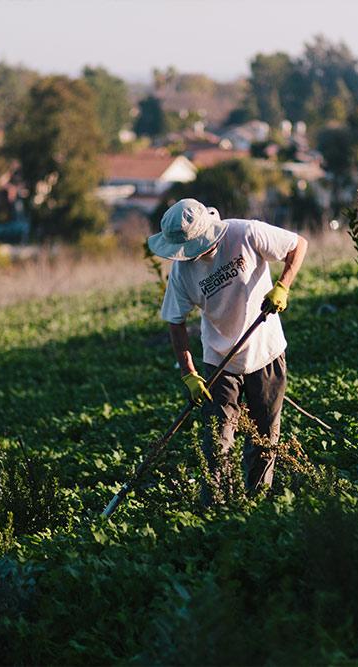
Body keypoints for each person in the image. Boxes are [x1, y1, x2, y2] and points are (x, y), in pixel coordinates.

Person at [147, 198, 308, 501]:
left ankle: (257, 505)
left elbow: (298, 245)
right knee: (216, 443)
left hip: (265, 350)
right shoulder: (182, 272)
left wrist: (283, 285)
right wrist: (189, 374)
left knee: (263, 438)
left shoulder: (245, 233)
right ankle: (215, 510)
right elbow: (175, 322)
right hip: (219, 361)